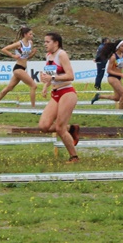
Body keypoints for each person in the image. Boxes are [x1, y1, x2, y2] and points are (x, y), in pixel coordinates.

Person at [37, 32, 81, 162]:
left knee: (59, 128)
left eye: (47, 42)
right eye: (44, 42)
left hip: (67, 92)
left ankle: (74, 157)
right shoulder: (49, 55)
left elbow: (70, 75)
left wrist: (52, 78)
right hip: (55, 93)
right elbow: (50, 74)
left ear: (56, 43)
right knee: (44, 126)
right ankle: (71, 129)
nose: (45, 44)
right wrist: (46, 85)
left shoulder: (62, 54)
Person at [0, 26, 38, 107]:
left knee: (9, 87)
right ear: (25, 34)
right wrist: (13, 55)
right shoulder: (19, 43)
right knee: (34, 86)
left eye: (32, 34)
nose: (32, 36)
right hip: (18, 68)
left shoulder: (30, 43)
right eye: (30, 34)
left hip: (22, 68)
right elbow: (4, 49)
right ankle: (33, 108)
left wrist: (33, 53)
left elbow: (27, 57)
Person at [104, 40, 123, 110]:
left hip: (119, 77)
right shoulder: (113, 57)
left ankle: (99, 96)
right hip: (112, 77)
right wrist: (120, 74)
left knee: (117, 98)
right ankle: (121, 113)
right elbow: (108, 70)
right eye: (122, 46)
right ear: (118, 47)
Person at [90, 38, 113, 103]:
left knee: (100, 73)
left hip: (101, 61)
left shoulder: (101, 46)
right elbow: (100, 54)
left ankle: (98, 85)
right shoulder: (103, 47)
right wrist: (97, 59)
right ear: (105, 41)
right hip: (101, 61)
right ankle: (97, 85)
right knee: (100, 74)